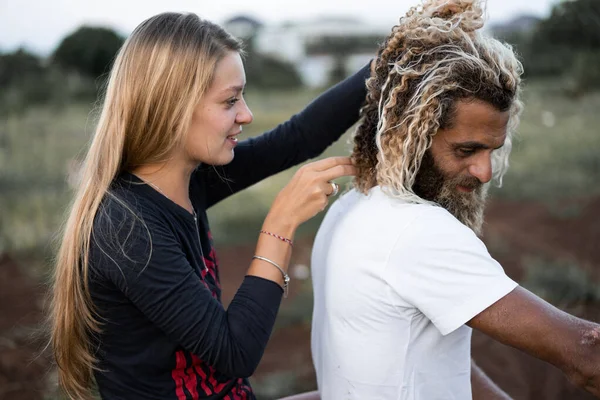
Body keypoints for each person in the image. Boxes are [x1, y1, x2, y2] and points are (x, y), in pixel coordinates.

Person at [50, 12, 371, 400]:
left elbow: (298, 137)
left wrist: (396, 55)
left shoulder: (191, 180)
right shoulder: (125, 228)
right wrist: (281, 223)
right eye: (230, 101)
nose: (246, 115)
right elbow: (235, 353)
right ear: (171, 108)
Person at [310, 1, 600, 399]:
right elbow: (587, 355)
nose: (485, 172)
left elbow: (437, 361)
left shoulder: (350, 207)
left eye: (492, 151)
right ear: (412, 136)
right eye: (466, 151)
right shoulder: (419, 230)